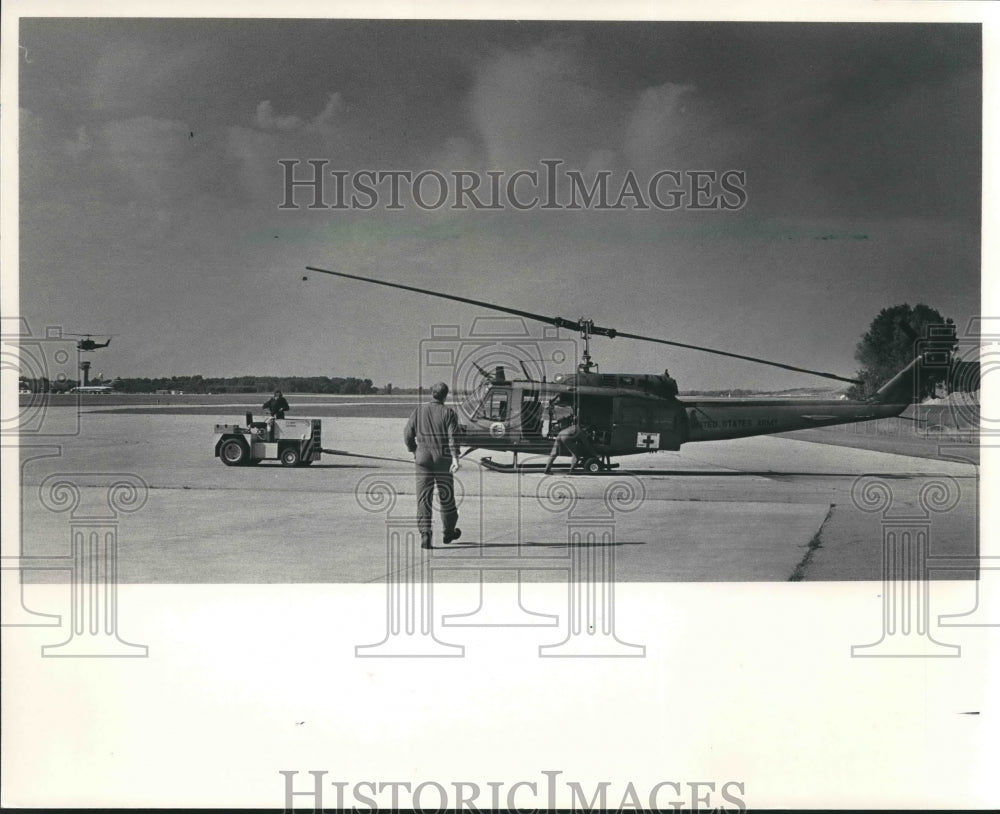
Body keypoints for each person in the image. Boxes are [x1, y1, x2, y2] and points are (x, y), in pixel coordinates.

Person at [404, 382, 462, 549]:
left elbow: (408, 434)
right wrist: (455, 459)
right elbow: (453, 438)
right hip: (442, 459)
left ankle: (425, 534)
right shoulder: (448, 413)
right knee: (446, 496)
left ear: (432, 393)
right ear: (446, 395)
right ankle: (449, 531)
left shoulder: (419, 410)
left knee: (423, 498)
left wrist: (414, 451)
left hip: (422, 458)